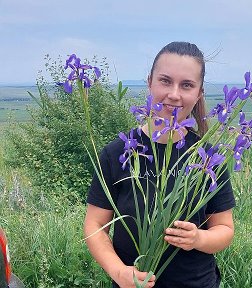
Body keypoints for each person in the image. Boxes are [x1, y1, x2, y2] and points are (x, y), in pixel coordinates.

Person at [84, 41, 235, 288]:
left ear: (199, 94)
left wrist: (197, 238)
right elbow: (95, 224)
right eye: (165, 81)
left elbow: (225, 230)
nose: (174, 94)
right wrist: (118, 272)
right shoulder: (117, 153)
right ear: (149, 83)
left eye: (187, 85)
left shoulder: (208, 157)